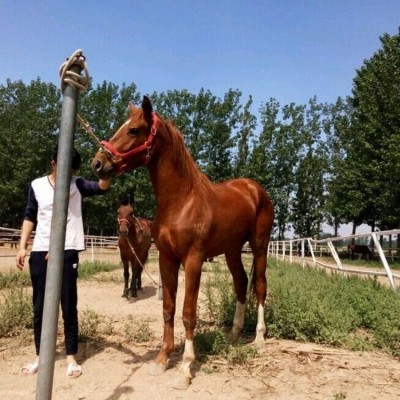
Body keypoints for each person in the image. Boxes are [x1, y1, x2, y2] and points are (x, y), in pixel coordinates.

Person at [15, 145, 111, 378]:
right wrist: (22, 246)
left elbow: (101, 187)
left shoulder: (78, 185)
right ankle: (41, 356)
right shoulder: (37, 185)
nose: (67, 172)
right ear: (53, 163)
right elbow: (30, 216)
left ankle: (71, 357)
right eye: (63, 166)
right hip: (40, 251)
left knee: (68, 304)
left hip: (67, 250)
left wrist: (106, 169)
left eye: (72, 169)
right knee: (39, 307)